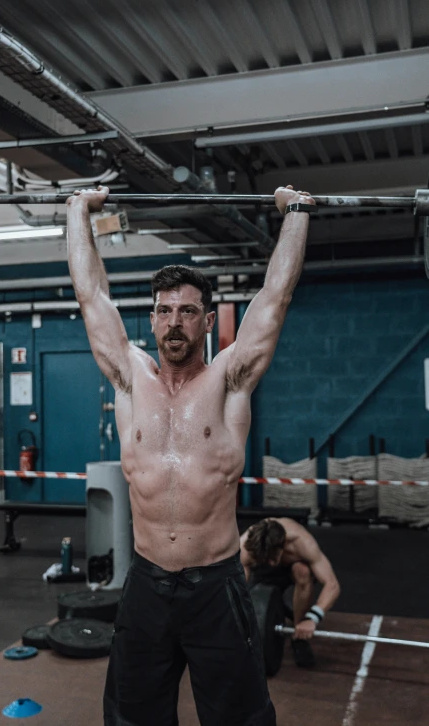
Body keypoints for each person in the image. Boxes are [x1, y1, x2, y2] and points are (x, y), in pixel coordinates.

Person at [67, 183, 316, 726]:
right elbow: (91, 296)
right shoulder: (130, 379)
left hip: (216, 587)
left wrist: (294, 212)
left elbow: (274, 298)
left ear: (207, 321)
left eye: (187, 311)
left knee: (240, 719)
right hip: (147, 585)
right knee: (134, 718)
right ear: (152, 320)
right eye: (164, 311)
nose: (174, 321)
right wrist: (76, 212)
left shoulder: (230, 381)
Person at [240, 518, 341, 667]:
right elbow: (239, 587)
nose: (271, 563)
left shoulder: (302, 543)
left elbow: (332, 585)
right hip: (262, 575)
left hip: (292, 571)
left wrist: (312, 619)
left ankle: (299, 634)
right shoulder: (246, 546)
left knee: (303, 571)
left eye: (273, 558)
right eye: (266, 558)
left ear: (284, 545)